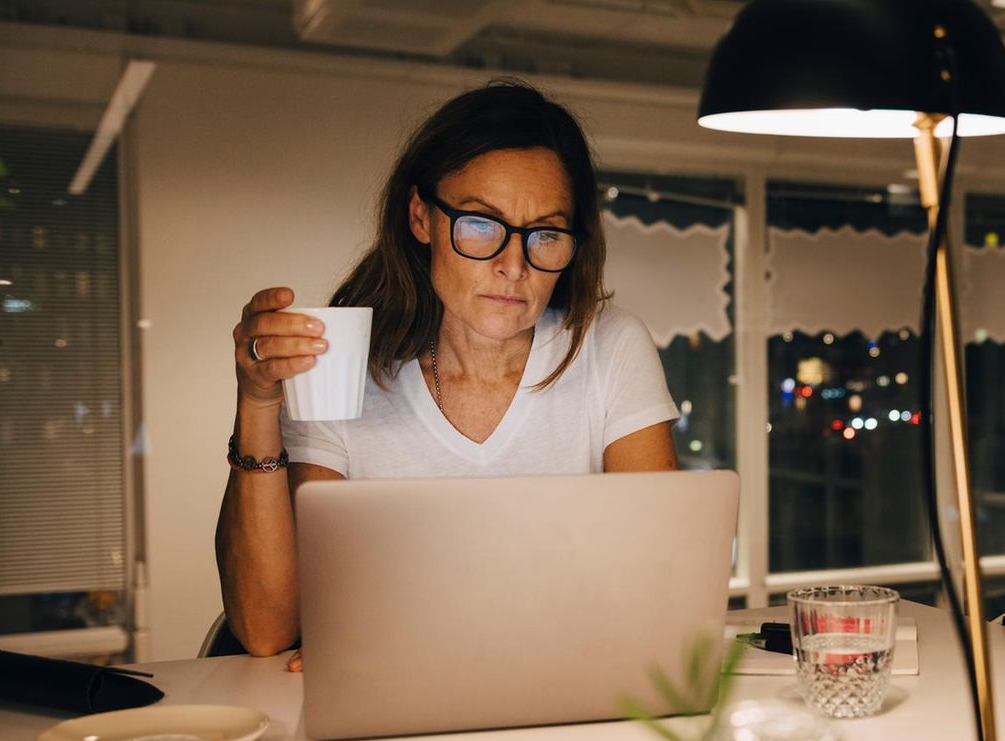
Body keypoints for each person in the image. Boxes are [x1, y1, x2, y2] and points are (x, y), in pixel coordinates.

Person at [215, 81, 680, 666]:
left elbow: (660, 586)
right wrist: (257, 404)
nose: (514, 265)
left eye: (546, 234)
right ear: (421, 218)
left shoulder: (608, 345)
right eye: (482, 224)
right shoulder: (345, 368)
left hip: (557, 689)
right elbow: (266, 628)